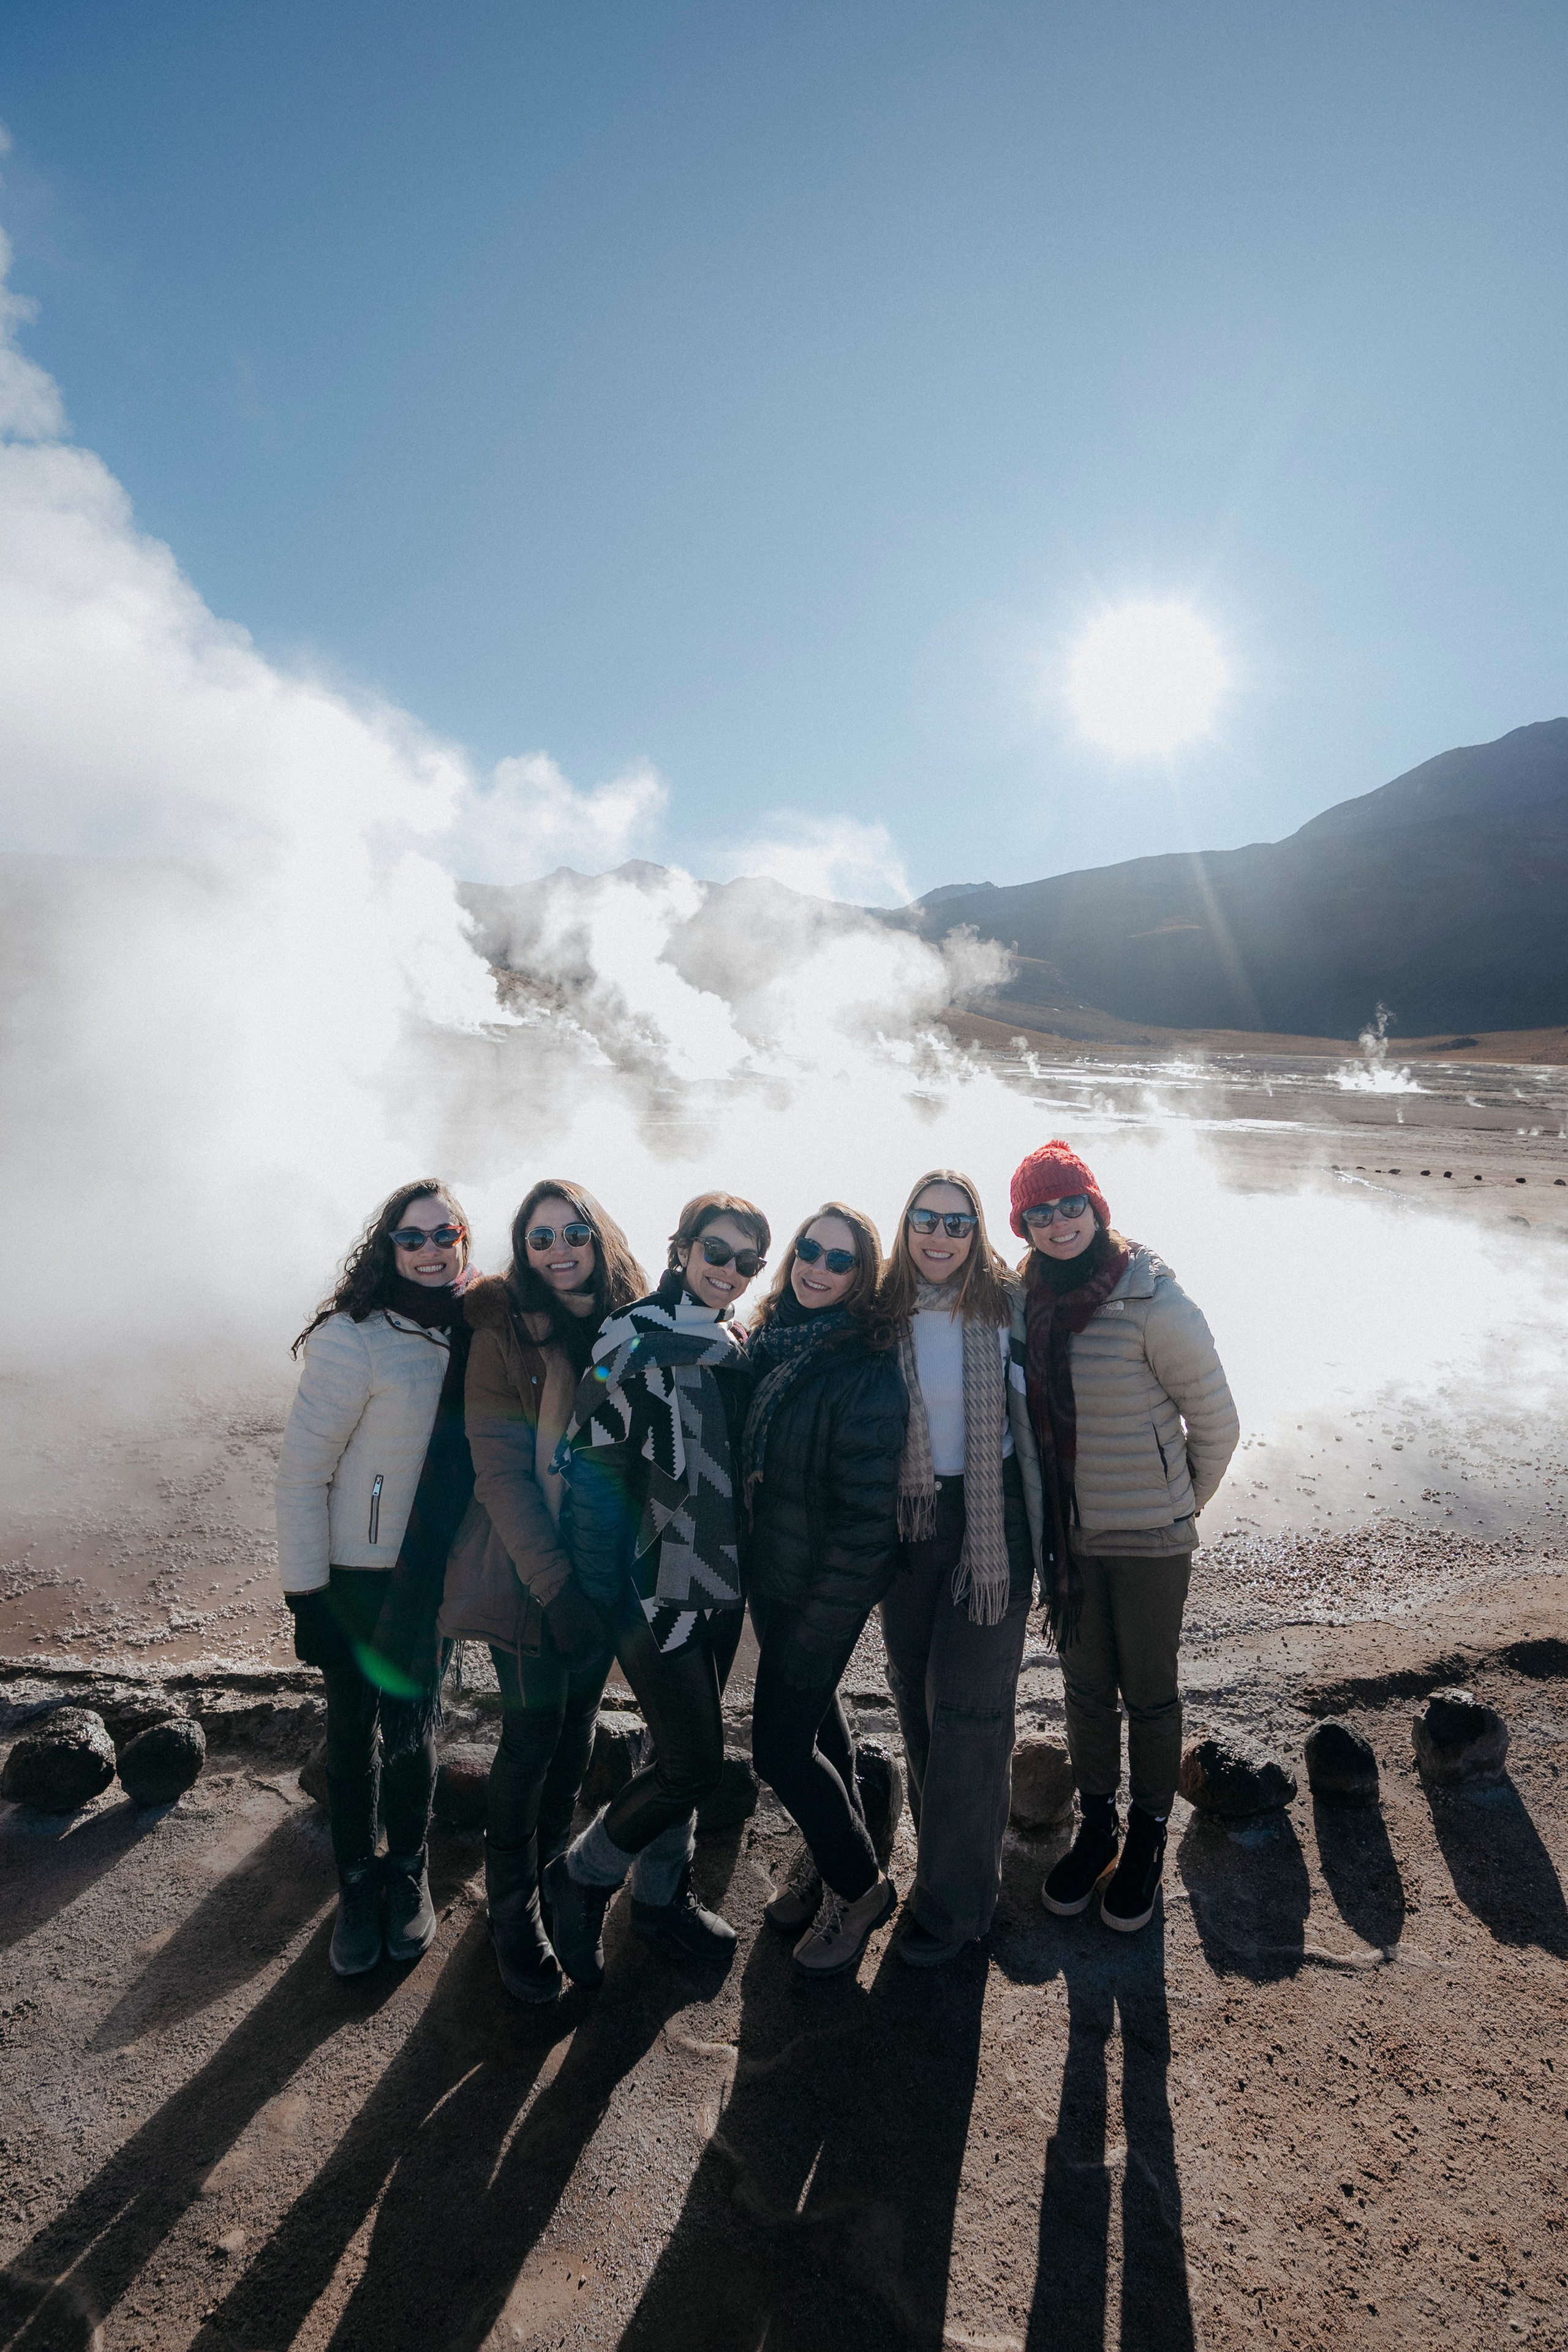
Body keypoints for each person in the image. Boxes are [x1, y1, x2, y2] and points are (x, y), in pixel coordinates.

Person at [1009, 1139, 1238, 1932]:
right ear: (1024, 1225)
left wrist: (1176, 1507)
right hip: (1068, 1547)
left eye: (1071, 1205)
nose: (1058, 1222)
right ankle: (1098, 1823)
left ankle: (1145, 1834)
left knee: (1148, 1692)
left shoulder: (1153, 1300)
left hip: (1148, 1543)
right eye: (1039, 1212)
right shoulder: (1024, 1301)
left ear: (1097, 1206)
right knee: (1083, 1690)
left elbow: (1216, 1423)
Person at [543, 1191, 768, 1985]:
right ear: (682, 1249)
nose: (729, 1271)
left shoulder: (733, 1344)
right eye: (717, 1251)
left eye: (748, 1261)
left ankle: (661, 1899)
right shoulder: (629, 1341)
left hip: (716, 1581)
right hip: (650, 1588)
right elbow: (593, 1467)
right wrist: (605, 1596)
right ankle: (582, 1877)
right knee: (694, 1766)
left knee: (672, 1748)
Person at [438, 1180, 647, 2002]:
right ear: (522, 1250)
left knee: (575, 1738)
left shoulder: (633, 1325)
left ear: (600, 1239)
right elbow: (499, 1474)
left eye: (574, 1234)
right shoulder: (504, 1334)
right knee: (530, 1743)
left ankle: (556, 1877)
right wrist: (556, 1589)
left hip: (610, 1571)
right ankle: (510, 1914)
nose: (559, 1250)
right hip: (534, 1572)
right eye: (540, 1238)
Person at [277, 1180, 478, 1978]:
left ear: (465, 1239)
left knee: (413, 1730)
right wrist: (308, 1597)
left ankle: (410, 1871)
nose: (430, 1250)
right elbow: (301, 1477)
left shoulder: (479, 1330)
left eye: (445, 1234)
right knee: (354, 1731)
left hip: (433, 1575)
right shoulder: (352, 1337)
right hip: (356, 1576)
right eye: (412, 1238)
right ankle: (357, 1883)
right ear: (388, 1248)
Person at [743, 1204, 910, 1978]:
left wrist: (824, 1617)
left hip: (821, 1593)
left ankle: (857, 1885)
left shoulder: (864, 1369)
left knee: (777, 1748)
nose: (817, 1267)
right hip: (773, 1575)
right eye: (808, 1249)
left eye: (838, 1261)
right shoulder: (775, 1341)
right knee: (818, 1730)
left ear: (861, 1278)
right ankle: (829, 1848)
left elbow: (867, 1524)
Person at [876, 1169, 1035, 1967]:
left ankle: (958, 1902)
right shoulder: (878, 1311)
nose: (940, 1236)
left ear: (978, 1233)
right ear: (905, 1227)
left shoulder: (1008, 1307)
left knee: (972, 1713)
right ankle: (948, 1864)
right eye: (926, 1220)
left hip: (988, 1524)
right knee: (915, 1694)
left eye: (957, 1222)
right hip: (908, 1524)